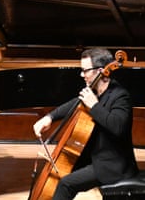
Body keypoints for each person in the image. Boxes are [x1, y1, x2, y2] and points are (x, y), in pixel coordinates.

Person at [32, 48, 138, 200]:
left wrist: (94, 106)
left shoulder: (120, 96)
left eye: (85, 70)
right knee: (56, 172)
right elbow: (75, 103)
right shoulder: (94, 92)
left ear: (100, 71)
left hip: (112, 165)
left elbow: (118, 127)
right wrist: (49, 117)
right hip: (94, 156)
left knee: (65, 184)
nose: (82, 75)